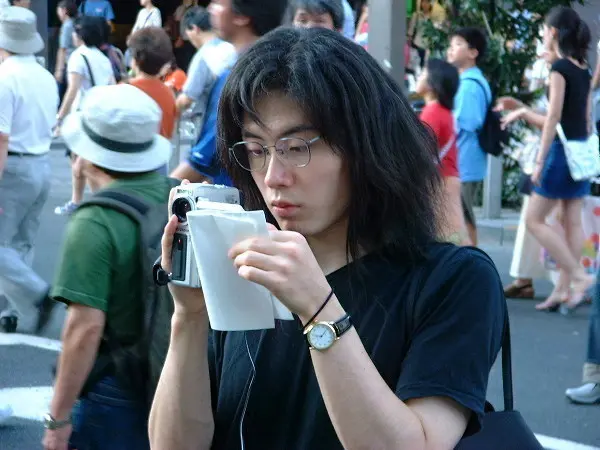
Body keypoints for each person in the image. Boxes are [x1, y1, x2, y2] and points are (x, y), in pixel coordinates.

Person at [149, 27, 505, 449]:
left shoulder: (452, 280)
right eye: (257, 149)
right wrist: (188, 317)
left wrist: (319, 310)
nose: (272, 177)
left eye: (296, 146)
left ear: (367, 146)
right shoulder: (247, 262)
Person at [42, 84, 172, 450]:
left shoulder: (94, 222)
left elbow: (84, 329)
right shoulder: (178, 192)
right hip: (173, 372)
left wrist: (58, 419)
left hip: (117, 386)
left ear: (86, 152)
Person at [170, 0, 288, 183]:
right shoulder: (278, 65)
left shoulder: (237, 77)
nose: (210, 9)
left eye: (218, 3)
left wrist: (155, 198)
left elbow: (203, 159)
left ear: (241, 16)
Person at [525, 6, 595, 311]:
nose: (542, 33)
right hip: (580, 153)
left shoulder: (559, 70)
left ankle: (579, 277)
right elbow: (588, 117)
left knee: (534, 219)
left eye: (544, 29)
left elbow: (552, 117)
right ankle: (564, 289)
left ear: (552, 32)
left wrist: (540, 161)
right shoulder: (582, 68)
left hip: (561, 153)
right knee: (571, 221)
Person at [0, 7, 59, 334]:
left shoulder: (5, 78)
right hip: (42, 164)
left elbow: (2, 138)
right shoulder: (45, 75)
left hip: (14, 170)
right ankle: (9, 311)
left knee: (1, 246)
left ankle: (37, 295)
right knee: (22, 242)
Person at [54, 15, 116, 216]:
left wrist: (60, 117)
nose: (73, 34)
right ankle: (81, 200)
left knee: (82, 162)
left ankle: (92, 203)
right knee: (85, 161)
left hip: (82, 117)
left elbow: (72, 90)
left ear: (81, 34)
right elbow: (111, 86)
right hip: (100, 115)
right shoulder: (102, 57)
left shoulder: (77, 56)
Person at [416, 58, 469, 245]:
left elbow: (420, 149)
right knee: (454, 235)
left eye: (423, 72)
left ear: (433, 83)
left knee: (453, 238)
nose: (419, 76)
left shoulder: (433, 112)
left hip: (441, 181)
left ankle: (470, 272)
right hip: (447, 178)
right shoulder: (442, 111)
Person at [447, 27, 491, 247]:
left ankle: (474, 261)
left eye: (457, 44)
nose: (451, 49)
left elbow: (469, 122)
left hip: (465, 161)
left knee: (464, 217)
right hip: (467, 160)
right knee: (463, 215)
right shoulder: (472, 80)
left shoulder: (469, 85)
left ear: (473, 52)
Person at [176, 7, 235, 124]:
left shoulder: (203, 57)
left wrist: (172, 106)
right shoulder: (231, 48)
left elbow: (187, 98)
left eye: (187, 34)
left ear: (194, 29)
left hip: (214, 121)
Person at [129, 27, 177, 139]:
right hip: (160, 155)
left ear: (135, 60)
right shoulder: (169, 95)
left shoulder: (121, 90)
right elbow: (169, 134)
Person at [55, 0, 78, 100]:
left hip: (68, 64)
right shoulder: (75, 22)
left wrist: (59, 70)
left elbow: (62, 49)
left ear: (64, 10)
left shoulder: (67, 25)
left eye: (58, 10)